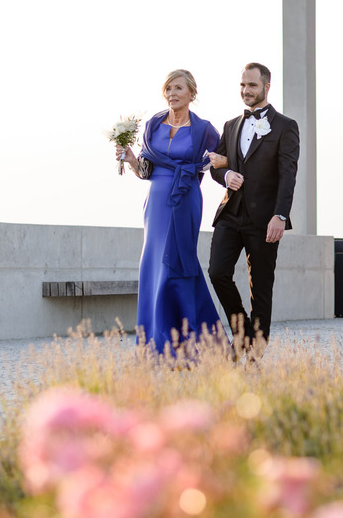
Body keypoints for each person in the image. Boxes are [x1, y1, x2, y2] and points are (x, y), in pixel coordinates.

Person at [116, 69, 224, 355]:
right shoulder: (153, 125)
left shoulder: (205, 130)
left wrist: (223, 166)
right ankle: (155, 343)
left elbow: (221, 161)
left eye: (178, 88)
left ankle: (195, 344)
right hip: (156, 204)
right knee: (154, 266)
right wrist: (130, 159)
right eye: (168, 89)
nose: (172, 94)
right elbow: (145, 170)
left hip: (186, 199)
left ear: (191, 93)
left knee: (177, 265)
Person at [206, 62, 299, 356]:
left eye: (252, 85)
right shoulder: (231, 125)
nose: (246, 91)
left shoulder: (286, 126)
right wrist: (225, 176)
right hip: (230, 214)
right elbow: (216, 165)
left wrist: (280, 216)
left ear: (266, 87)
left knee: (260, 288)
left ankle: (256, 356)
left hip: (265, 219)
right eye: (243, 85)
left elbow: (288, 175)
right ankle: (242, 332)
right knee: (217, 272)